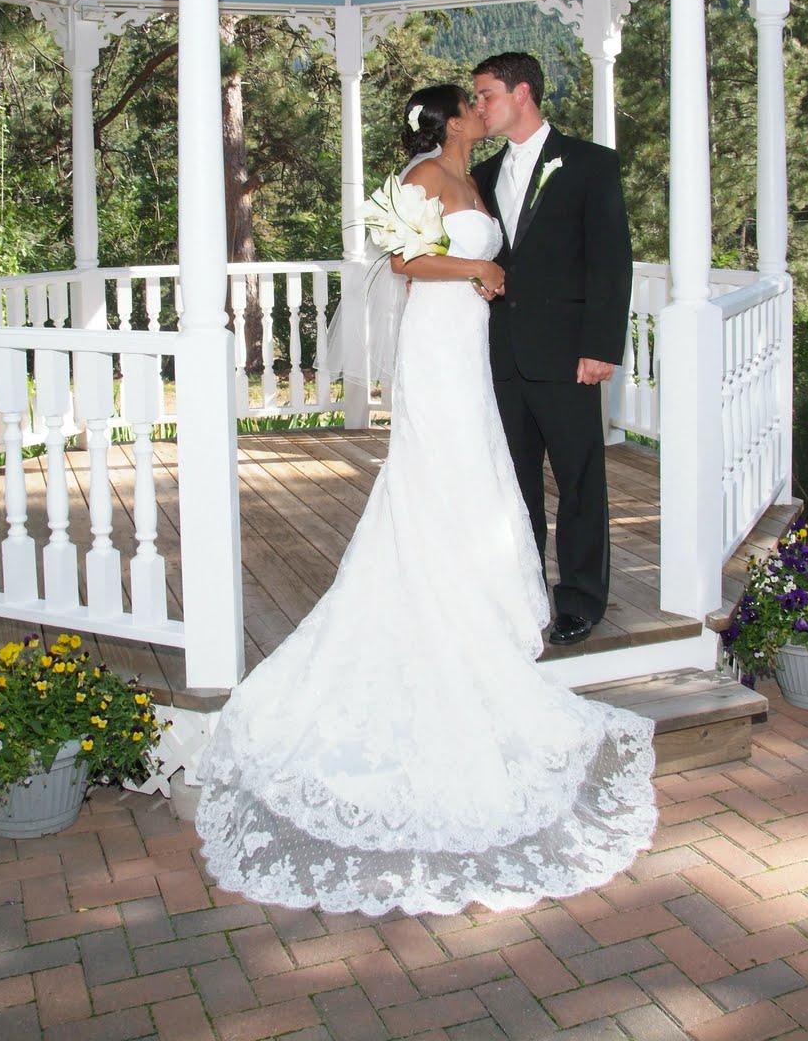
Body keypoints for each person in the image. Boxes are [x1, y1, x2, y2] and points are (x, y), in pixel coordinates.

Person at [195, 83, 656, 918]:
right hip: (439, 351)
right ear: (448, 121)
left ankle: (488, 596)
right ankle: (441, 603)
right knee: (440, 470)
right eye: (471, 105)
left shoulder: (475, 180)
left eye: (487, 98)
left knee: (480, 474)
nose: (482, 111)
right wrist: (478, 266)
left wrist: (498, 279)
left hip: (479, 349)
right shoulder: (422, 178)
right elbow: (406, 265)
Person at [472, 53, 633, 647]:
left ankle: (582, 598)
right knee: (514, 484)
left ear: (522, 93)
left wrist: (601, 346)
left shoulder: (590, 164)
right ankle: (526, 589)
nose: (479, 107)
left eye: (486, 94)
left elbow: (611, 262)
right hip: (503, 356)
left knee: (579, 480)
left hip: (569, 356)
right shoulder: (482, 178)